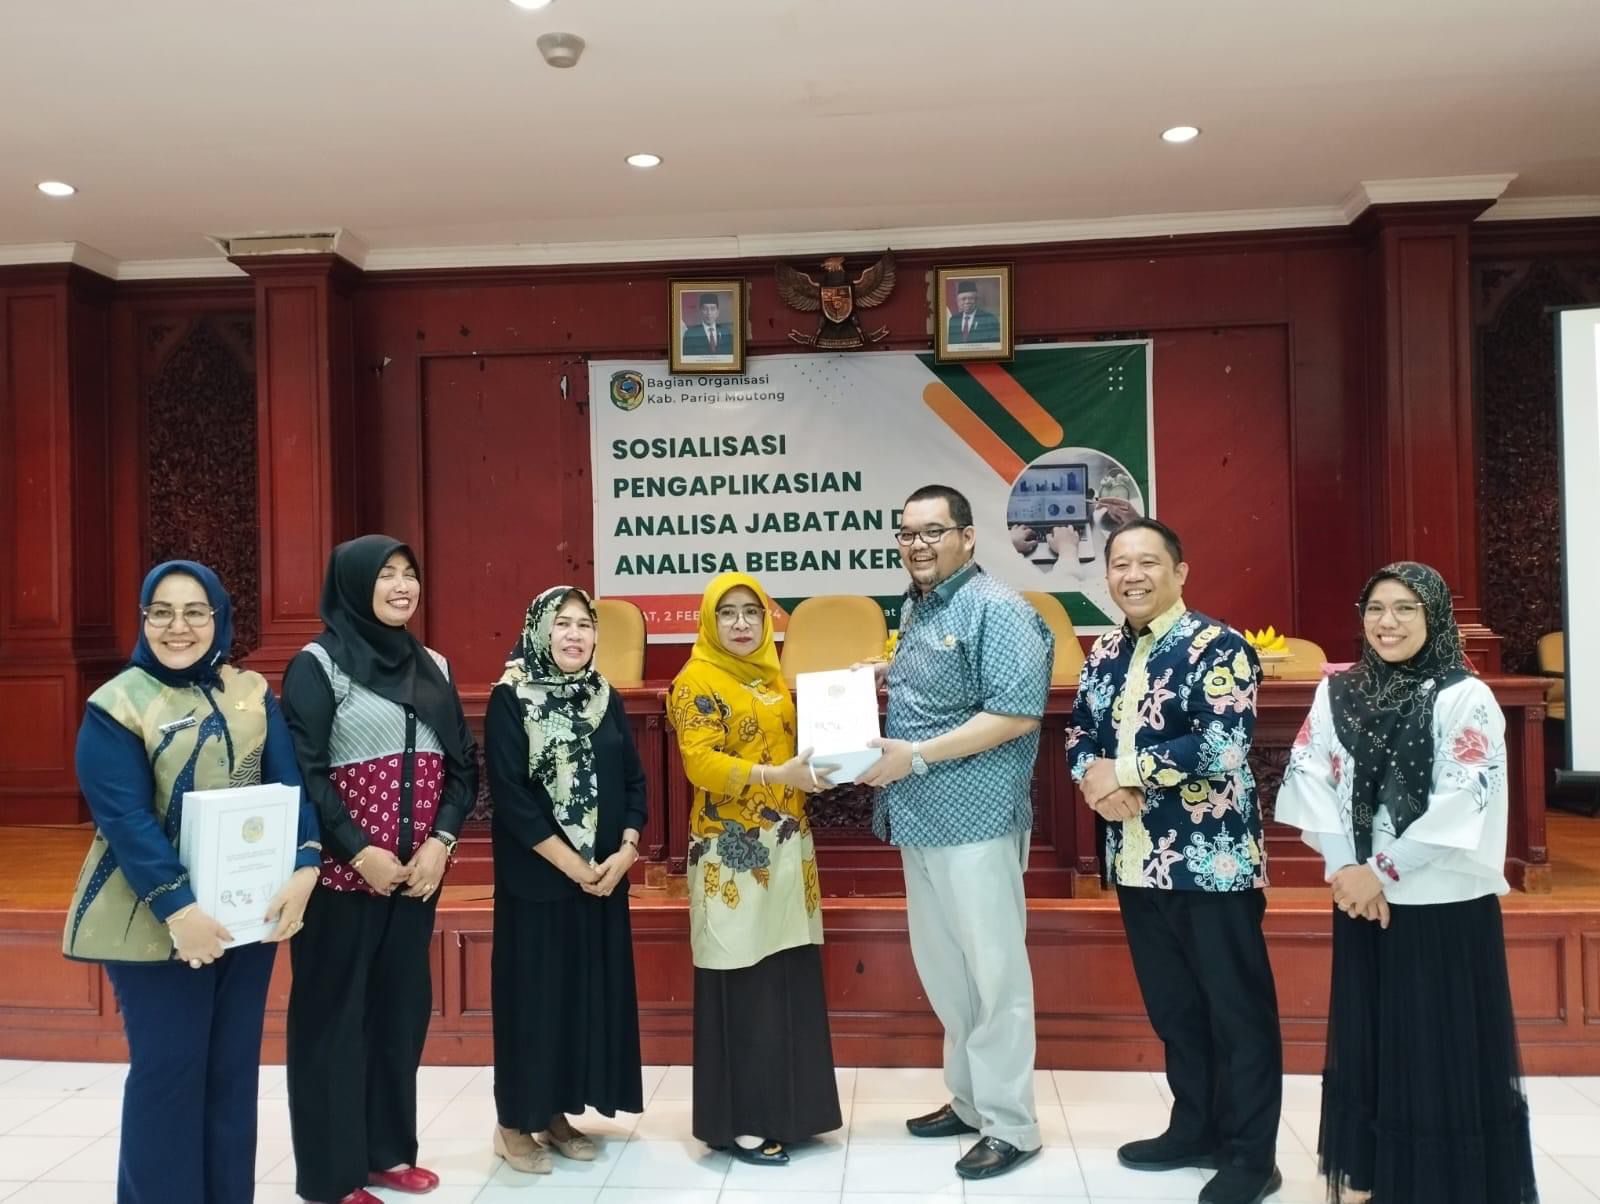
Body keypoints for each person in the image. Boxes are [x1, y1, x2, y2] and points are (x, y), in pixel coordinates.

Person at [1275, 562, 1539, 1204]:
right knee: (1374, 1039)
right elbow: (1309, 775)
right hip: (1360, 900)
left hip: (1439, 900)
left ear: (1435, 617)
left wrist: (1379, 872)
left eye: (1405, 609)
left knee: (1436, 1046)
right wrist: (1346, 871)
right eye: (1375, 609)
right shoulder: (1338, 692)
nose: (1386, 622)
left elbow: (1462, 801)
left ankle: (1441, 1185)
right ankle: (1377, 1175)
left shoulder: (1465, 696)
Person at [63, 560, 320, 1204]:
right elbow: (125, 820)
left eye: (195, 612)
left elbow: (288, 785)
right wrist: (180, 912)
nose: (178, 626)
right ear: (144, 619)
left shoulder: (250, 692)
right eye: (162, 612)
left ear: (219, 617)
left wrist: (305, 865)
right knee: (170, 1074)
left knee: (230, 1074)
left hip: (245, 917)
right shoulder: (117, 703)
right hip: (152, 921)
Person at [1067, 518, 1282, 1204]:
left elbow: (1223, 746)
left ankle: (1252, 1156)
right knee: (1176, 1010)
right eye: (1119, 564)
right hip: (1137, 861)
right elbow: (1079, 731)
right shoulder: (1103, 650)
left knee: (1237, 1013)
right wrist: (1094, 783)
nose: (1132, 575)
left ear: (1180, 572)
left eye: (1148, 562)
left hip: (1210, 863)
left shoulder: (1219, 646)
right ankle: (1194, 1128)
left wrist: (1125, 770)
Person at [857, 484, 1052, 1182]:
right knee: (947, 974)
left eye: (932, 531)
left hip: (977, 820)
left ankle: (1012, 1124)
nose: (917, 545)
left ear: (968, 537)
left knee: (995, 977)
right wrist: (883, 672)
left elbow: (1016, 713)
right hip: (920, 818)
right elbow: (947, 682)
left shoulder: (999, 608)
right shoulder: (921, 605)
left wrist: (914, 755)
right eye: (907, 533)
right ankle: (970, 1102)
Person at [281, 535, 479, 1204]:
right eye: (386, 574)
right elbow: (305, 773)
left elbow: (463, 767)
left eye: (409, 574)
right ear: (353, 583)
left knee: (399, 1016)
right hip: (342, 881)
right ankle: (333, 1177)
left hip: (414, 879)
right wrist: (357, 850)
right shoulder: (317, 665)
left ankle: (388, 1152)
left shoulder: (434, 665)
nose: (402, 586)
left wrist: (440, 843)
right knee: (332, 1023)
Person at [666, 572, 842, 1166]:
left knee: (786, 972)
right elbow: (701, 764)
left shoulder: (770, 678)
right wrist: (775, 776)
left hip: (787, 845)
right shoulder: (695, 681)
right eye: (728, 613)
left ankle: (794, 1113)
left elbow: (799, 746)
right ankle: (742, 1121)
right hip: (732, 852)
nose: (741, 624)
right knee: (741, 979)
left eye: (752, 612)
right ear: (709, 621)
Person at [486, 586, 647, 1175]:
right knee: (533, 1003)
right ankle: (512, 1125)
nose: (575, 634)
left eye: (584, 624)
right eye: (562, 623)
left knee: (577, 1003)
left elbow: (634, 781)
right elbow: (512, 799)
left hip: (603, 881)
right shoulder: (511, 698)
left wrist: (627, 849)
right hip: (540, 883)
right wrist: (574, 866)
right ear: (539, 630)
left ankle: (555, 1114)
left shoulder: (605, 696)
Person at [946, 279, 1000, 344]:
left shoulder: (989, 319)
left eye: (971, 298)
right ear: (958, 301)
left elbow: (995, 344)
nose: (967, 302)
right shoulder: (953, 320)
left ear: (976, 299)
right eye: (963, 299)